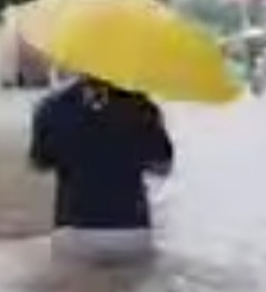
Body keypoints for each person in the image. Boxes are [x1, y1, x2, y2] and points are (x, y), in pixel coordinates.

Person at [29, 75, 174, 262]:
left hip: (74, 229)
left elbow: (39, 163)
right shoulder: (141, 107)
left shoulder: (51, 107)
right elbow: (163, 167)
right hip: (131, 232)